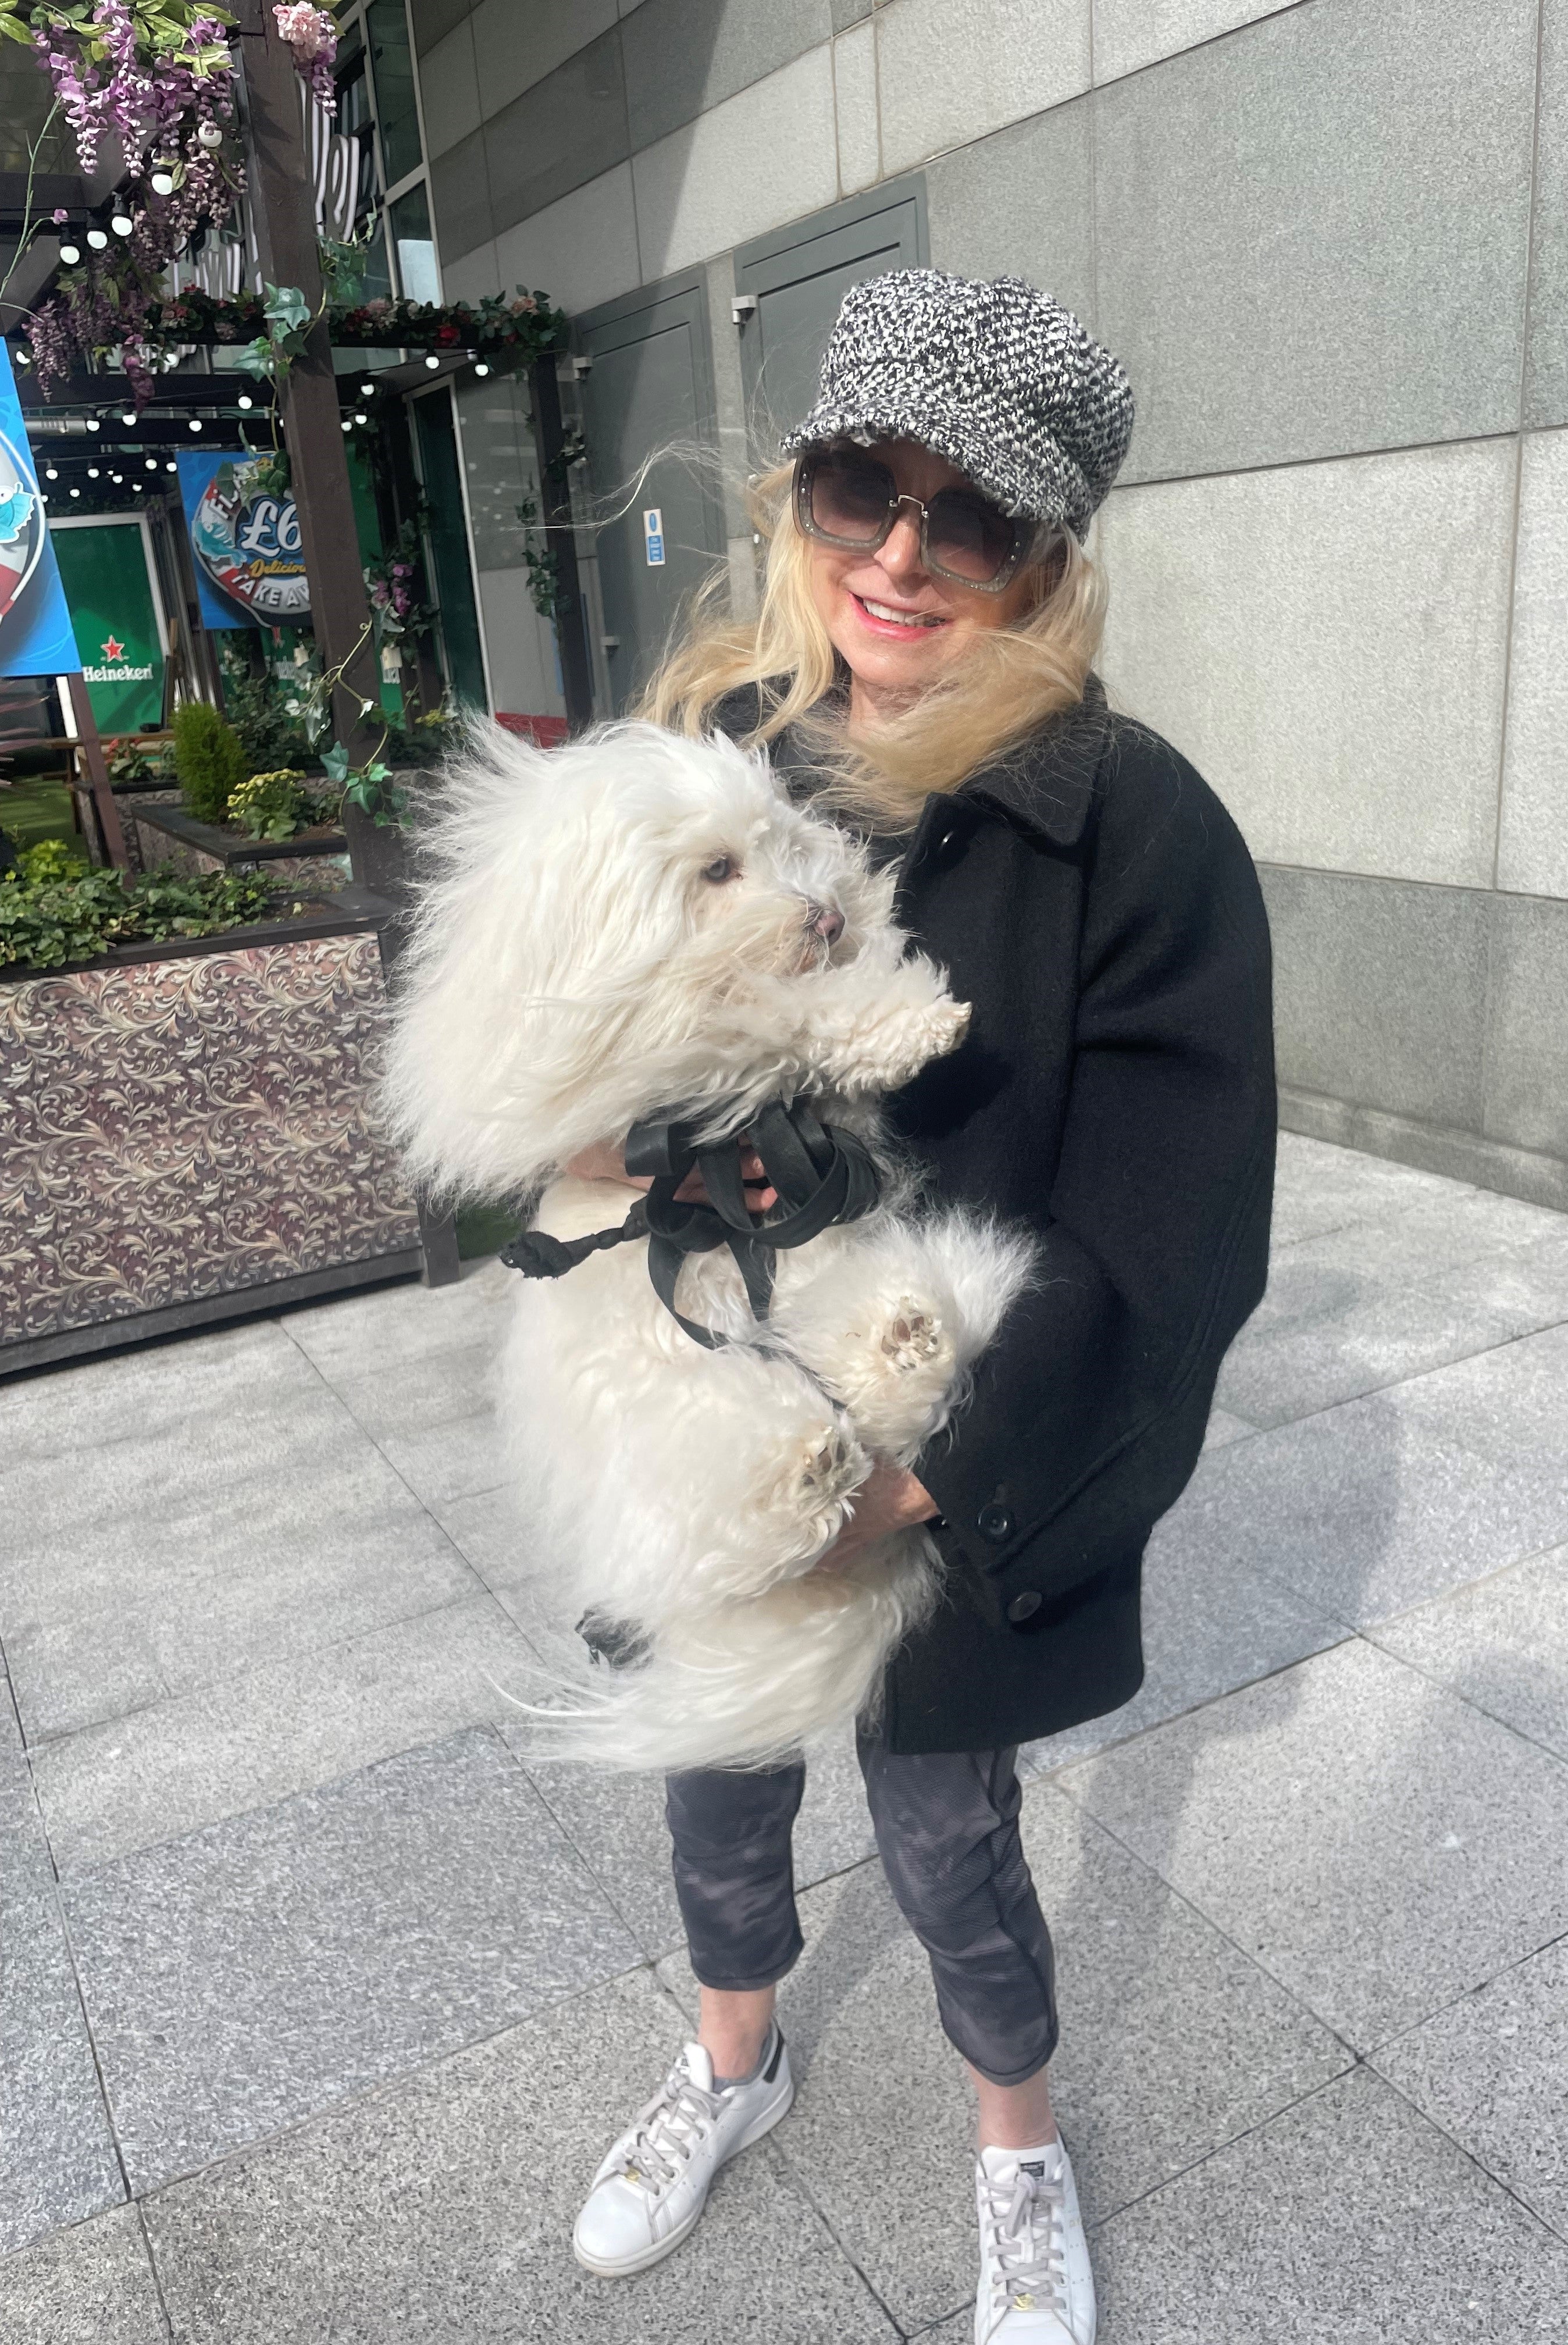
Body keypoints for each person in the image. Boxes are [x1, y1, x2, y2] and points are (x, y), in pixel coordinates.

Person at [566, 269, 1277, 2344]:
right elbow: (547, 1024)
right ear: (802, 491)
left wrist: (933, 1484)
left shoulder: (1127, 821)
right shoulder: (699, 752)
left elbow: (1173, 1227)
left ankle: (1018, 2149)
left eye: (965, 521)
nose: (897, 554)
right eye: (862, 483)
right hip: (696, 1415)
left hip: (939, 1450)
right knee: (709, 1770)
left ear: (1046, 563)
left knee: (949, 1824)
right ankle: (729, 2062)